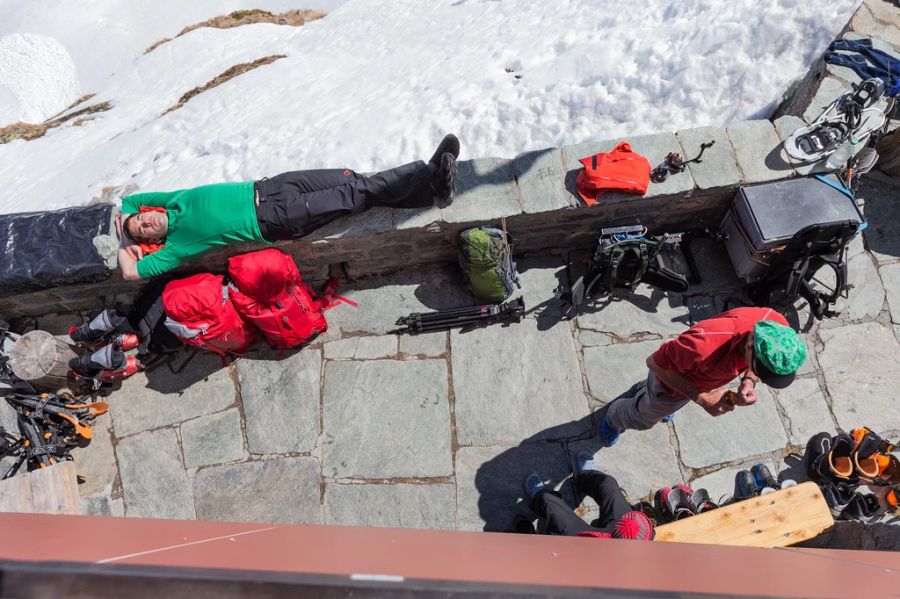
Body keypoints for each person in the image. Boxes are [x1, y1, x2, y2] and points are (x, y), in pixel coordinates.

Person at [117, 134, 460, 280]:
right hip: (275, 218)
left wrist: (123, 223)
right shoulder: (177, 245)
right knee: (357, 193)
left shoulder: (171, 202)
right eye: (142, 229)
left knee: (349, 179)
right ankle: (430, 170)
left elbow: (127, 203)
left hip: (274, 185)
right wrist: (124, 243)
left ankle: (432, 194)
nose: (145, 222)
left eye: (143, 218)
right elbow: (132, 273)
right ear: (152, 240)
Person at [598, 306, 807, 446]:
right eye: (762, 371)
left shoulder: (775, 324)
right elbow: (655, 363)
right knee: (643, 416)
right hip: (669, 387)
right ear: (751, 346)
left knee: (656, 396)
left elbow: (755, 365)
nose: (761, 376)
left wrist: (749, 380)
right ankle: (614, 418)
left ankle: (646, 393)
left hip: (693, 377)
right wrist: (703, 398)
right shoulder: (703, 345)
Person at [519, 451, 654, 540]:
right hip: (624, 536)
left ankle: (541, 497)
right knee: (608, 485)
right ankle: (586, 477)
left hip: (590, 549)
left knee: (555, 510)